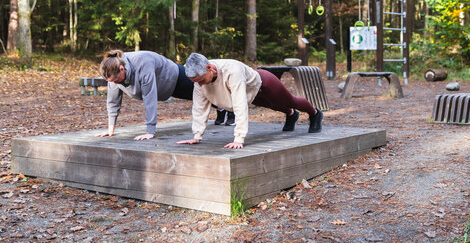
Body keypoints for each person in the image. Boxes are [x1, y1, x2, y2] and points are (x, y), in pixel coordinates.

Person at [176, 53, 323, 149]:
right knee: (274, 105)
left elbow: (239, 104)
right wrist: (197, 135)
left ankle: (315, 113)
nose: (200, 85)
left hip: (264, 83)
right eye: (196, 82)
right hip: (251, 94)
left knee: (290, 101)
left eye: (201, 80)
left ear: (210, 68)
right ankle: (291, 114)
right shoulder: (199, 81)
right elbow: (199, 107)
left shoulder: (232, 70)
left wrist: (239, 138)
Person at [97, 50, 195, 140]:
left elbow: (149, 97)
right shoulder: (112, 73)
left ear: (122, 69)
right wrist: (110, 128)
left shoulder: (143, 63)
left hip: (176, 77)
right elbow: (113, 101)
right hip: (166, 88)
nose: (115, 84)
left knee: (207, 95)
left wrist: (150, 132)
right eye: (111, 81)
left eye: (116, 80)